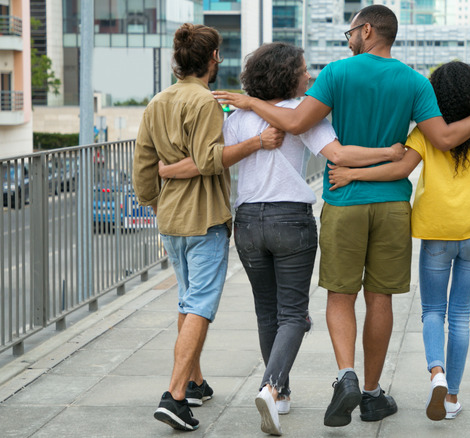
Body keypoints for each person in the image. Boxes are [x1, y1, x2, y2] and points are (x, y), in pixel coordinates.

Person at [213, 5, 470, 428]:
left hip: (343, 200)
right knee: (379, 297)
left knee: (340, 295)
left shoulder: (336, 74)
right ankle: (370, 392)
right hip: (392, 206)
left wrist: (250, 100)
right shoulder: (416, 82)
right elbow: (442, 137)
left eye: (350, 32)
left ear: (367, 30)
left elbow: (294, 121)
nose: (348, 39)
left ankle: (345, 373)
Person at [158, 41, 406, 436]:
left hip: (248, 223)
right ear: (288, 74)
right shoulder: (301, 114)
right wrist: (390, 154)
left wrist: (167, 170)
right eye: (304, 69)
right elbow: (339, 156)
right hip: (291, 220)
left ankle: (282, 392)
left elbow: (211, 157)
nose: (309, 76)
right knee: (294, 314)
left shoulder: (236, 115)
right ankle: (271, 388)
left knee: (266, 311)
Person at [327, 61, 470, 421]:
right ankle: (452, 396)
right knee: (460, 316)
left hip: (437, 236)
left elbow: (398, 169)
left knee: (432, 312)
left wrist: (351, 173)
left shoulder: (427, 134)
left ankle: (436, 372)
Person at [132, 23, 284, 432]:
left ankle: (195, 383)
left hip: (171, 220)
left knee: (187, 300)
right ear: (212, 59)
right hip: (204, 219)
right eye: (218, 54)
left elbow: (144, 165)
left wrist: (154, 199)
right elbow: (208, 159)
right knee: (200, 304)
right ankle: (175, 395)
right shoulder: (205, 103)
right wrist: (256, 143)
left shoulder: (158, 101)